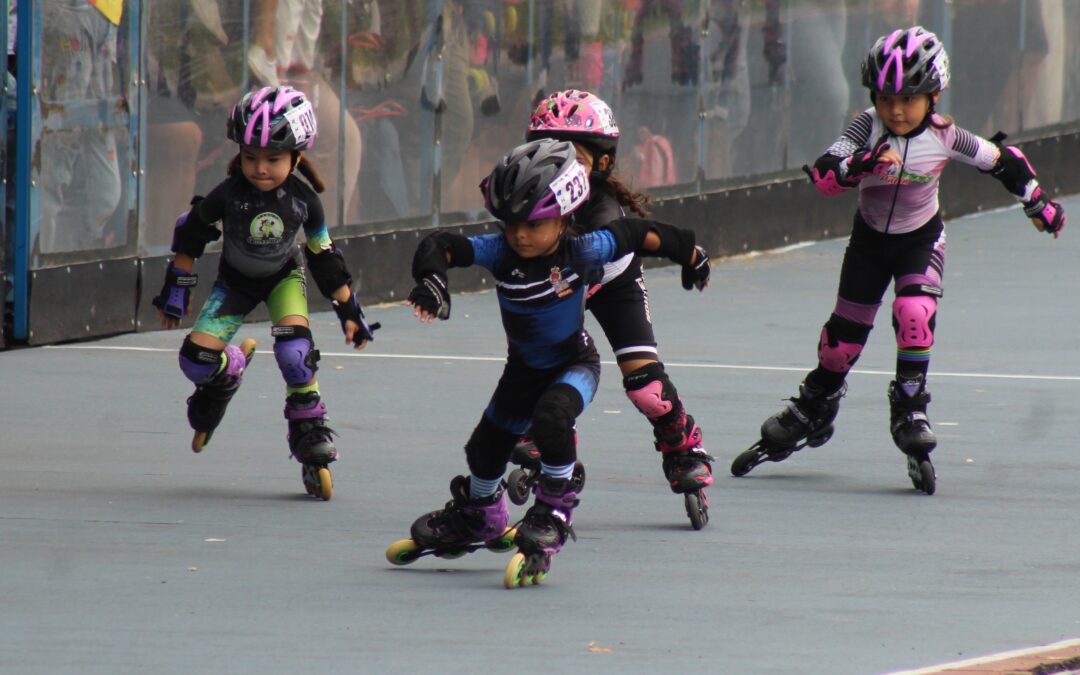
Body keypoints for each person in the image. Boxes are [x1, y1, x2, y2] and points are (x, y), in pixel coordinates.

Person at [732, 26, 1066, 494]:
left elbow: (1003, 160)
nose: (895, 110)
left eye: (909, 99)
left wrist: (1038, 202)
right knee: (839, 345)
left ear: (933, 97)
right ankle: (817, 403)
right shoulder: (865, 126)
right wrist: (860, 164)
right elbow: (827, 172)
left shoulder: (948, 136)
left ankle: (910, 404)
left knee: (914, 312)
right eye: (886, 98)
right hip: (869, 242)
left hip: (920, 239)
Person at [386, 138, 710, 587]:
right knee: (484, 448)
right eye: (512, 223)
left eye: (534, 224)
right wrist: (433, 281)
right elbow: (441, 245)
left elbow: (642, 234)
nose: (520, 235)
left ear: (563, 217)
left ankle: (554, 509)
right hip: (521, 371)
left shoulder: (583, 250)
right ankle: (481, 515)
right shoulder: (502, 252)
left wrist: (691, 254)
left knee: (553, 418)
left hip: (574, 364)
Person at [151, 85, 379, 500]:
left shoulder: (304, 200)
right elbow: (191, 233)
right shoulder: (229, 194)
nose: (259, 169)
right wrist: (177, 288)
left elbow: (323, 255)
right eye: (250, 157)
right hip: (234, 283)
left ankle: (309, 430)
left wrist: (349, 310)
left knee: (295, 354)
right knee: (196, 362)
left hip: (282, 280)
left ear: (295, 158)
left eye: (273, 159)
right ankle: (227, 373)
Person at [522, 89, 714, 526]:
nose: (562, 169)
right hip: (563, 290)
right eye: (552, 155)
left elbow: (645, 233)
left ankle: (684, 446)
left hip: (613, 282)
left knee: (646, 385)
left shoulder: (603, 214)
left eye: (577, 159)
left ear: (603, 164)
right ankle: (550, 431)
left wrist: (690, 254)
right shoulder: (527, 197)